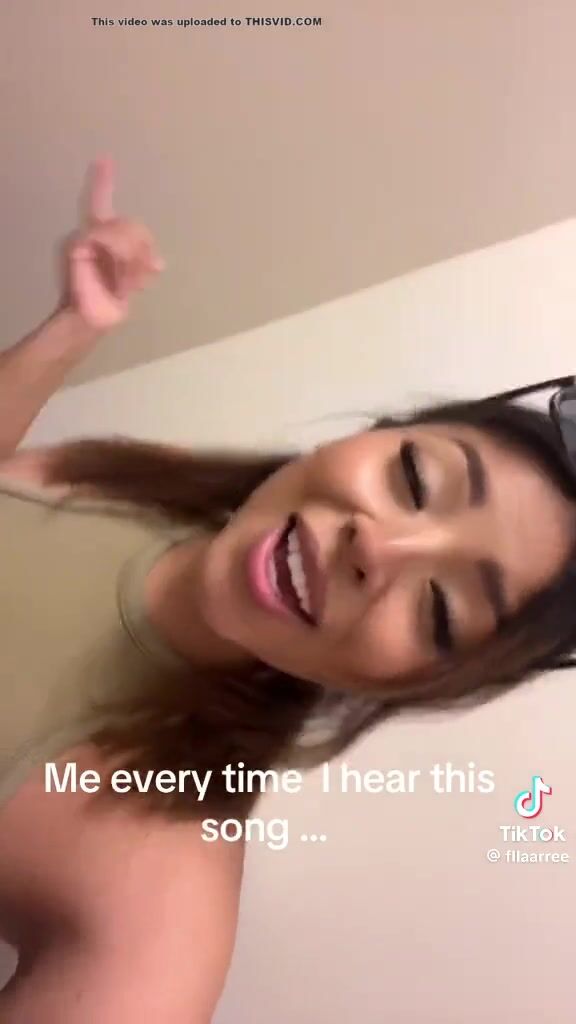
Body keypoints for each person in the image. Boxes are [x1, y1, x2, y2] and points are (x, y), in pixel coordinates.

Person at [1, 156, 575, 1021]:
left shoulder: (162, 899)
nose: (378, 546)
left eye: (439, 609)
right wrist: (70, 332)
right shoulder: (157, 485)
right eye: (415, 478)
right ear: (378, 431)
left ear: (413, 683)